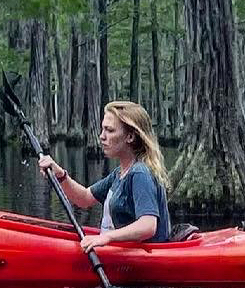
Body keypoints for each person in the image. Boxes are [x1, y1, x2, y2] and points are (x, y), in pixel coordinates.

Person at [37, 101, 171, 250]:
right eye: (102, 129)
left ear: (130, 137)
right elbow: (84, 198)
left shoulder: (140, 173)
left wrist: (106, 237)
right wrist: (60, 175)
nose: (102, 136)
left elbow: (148, 225)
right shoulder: (120, 173)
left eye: (109, 130)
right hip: (122, 255)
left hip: (146, 260)